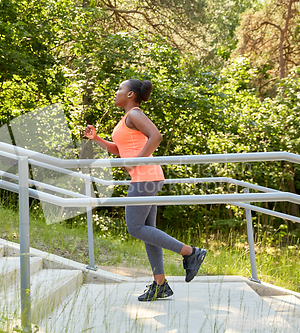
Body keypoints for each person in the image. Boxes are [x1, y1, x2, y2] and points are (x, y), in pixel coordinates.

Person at [83, 79, 207, 301]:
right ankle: (160, 284)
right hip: (147, 176)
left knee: (135, 227)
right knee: (148, 230)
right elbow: (120, 149)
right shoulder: (127, 118)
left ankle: (191, 253)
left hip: (145, 176)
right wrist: (97, 138)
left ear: (130, 94)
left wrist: (136, 163)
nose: (116, 92)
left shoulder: (135, 114)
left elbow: (156, 136)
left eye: (119, 89)